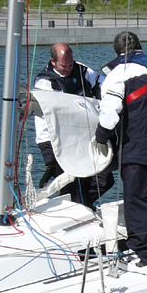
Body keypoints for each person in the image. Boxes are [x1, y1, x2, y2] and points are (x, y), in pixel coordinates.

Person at [95, 31, 147, 275]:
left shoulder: (117, 74)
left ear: (117, 52)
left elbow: (110, 113)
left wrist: (100, 138)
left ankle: (144, 259)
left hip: (138, 147)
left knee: (139, 202)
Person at [33, 43, 114, 208]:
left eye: (70, 64)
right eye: (64, 66)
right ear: (53, 62)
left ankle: (84, 205)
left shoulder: (83, 71)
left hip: (89, 137)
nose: (68, 69)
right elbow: (42, 122)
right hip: (65, 144)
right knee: (73, 187)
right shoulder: (45, 84)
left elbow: (105, 86)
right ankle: (77, 208)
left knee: (105, 180)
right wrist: (48, 157)